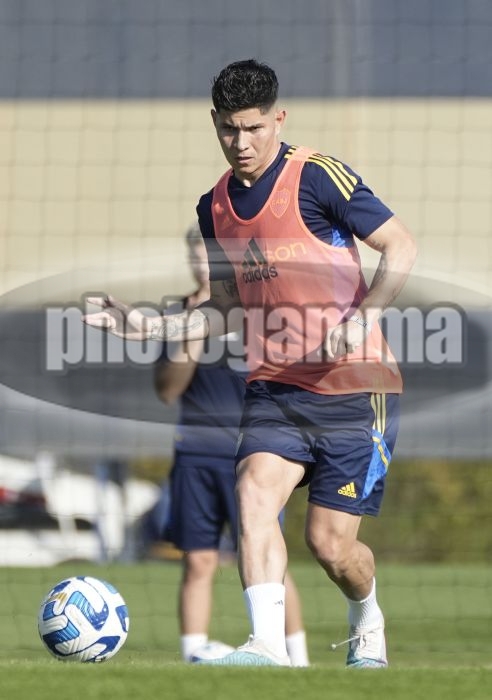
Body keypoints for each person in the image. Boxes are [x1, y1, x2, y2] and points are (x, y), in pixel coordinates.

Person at [83, 58, 417, 668]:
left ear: (277, 120)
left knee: (330, 546)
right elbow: (225, 308)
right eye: (229, 129)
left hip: (356, 385)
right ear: (214, 122)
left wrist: (363, 319)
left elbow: (400, 244)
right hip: (276, 387)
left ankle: (367, 617)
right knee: (254, 493)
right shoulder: (213, 207)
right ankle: (265, 645)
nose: (242, 142)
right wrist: (147, 325)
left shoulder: (317, 176)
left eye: (254, 128)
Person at [151, 223, 309, 666]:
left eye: (210, 253)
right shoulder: (177, 314)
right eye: (195, 253)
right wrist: (192, 331)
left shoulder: (259, 308)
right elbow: (167, 390)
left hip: (255, 454)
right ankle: (192, 659)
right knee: (198, 561)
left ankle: (297, 660)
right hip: (195, 454)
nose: (202, 261)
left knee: (270, 559)